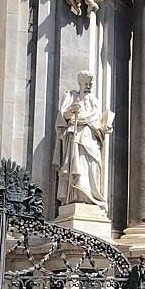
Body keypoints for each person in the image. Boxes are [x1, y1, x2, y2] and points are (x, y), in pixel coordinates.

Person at [53, 70, 112, 210]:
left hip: (91, 139)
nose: (89, 86)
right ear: (80, 83)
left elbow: (97, 120)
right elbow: (62, 117)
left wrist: (105, 127)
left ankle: (91, 198)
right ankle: (76, 198)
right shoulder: (70, 96)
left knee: (92, 166)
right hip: (75, 137)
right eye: (86, 83)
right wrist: (71, 111)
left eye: (91, 83)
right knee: (78, 166)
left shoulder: (94, 100)